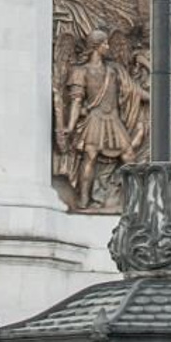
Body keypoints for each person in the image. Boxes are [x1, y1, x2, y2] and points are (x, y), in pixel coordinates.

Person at [58, 31, 136, 212]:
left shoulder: (112, 71)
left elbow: (130, 91)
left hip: (113, 119)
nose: (108, 47)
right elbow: (76, 101)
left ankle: (134, 199)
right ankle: (84, 199)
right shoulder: (81, 72)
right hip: (95, 119)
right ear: (96, 46)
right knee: (90, 158)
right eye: (105, 44)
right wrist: (70, 126)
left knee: (129, 156)